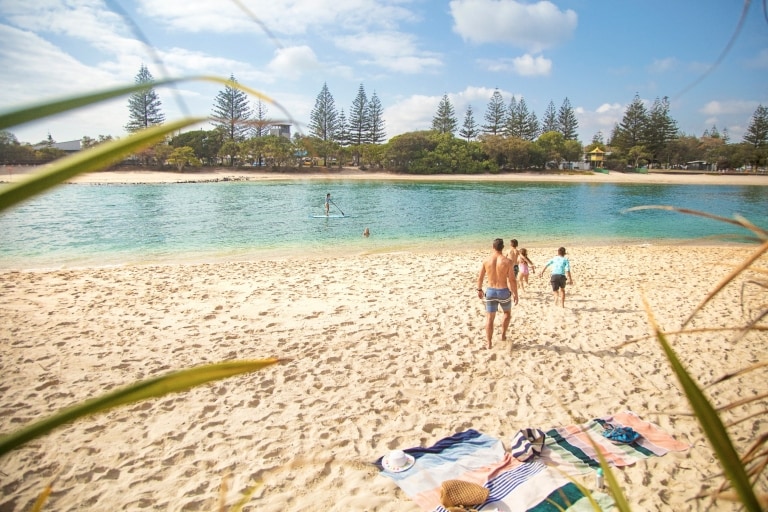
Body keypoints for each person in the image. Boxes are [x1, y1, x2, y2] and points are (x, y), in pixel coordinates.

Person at [477, 238, 518, 349]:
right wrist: (515, 293)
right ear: (503, 248)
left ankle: (489, 343)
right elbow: (512, 280)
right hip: (503, 291)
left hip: (490, 291)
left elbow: (480, 278)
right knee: (507, 314)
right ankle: (503, 335)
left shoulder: (486, 261)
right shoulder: (508, 261)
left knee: (490, 318)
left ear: (493, 247)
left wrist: (479, 290)